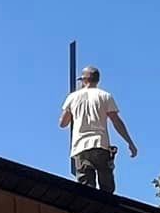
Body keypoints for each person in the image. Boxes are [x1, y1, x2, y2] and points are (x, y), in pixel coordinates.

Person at [58, 66, 138, 195]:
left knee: (86, 189)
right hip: (101, 145)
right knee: (106, 188)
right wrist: (130, 142)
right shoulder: (105, 96)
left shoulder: (73, 97)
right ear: (97, 80)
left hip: (81, 147)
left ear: (84, 80)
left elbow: (63, 123)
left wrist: (74, 110)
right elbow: (116, 121)